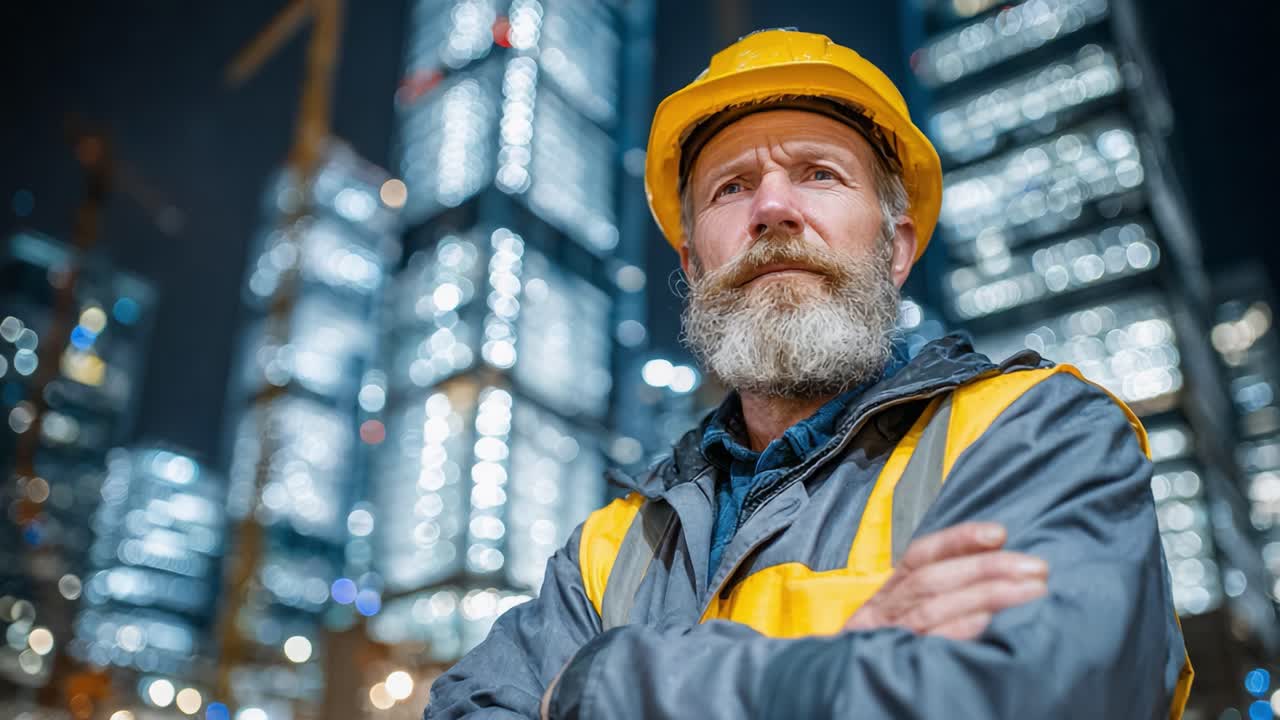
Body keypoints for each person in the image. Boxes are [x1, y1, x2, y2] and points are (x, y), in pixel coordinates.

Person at [424, 28, 1193, 719]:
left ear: (895, 249)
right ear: (694, 267)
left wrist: (599, 683)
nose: (773, 208)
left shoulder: (1039, 431)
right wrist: (851, 670)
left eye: (819, 174)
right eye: (731, 188)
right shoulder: (609, 546)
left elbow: (1030, 696)